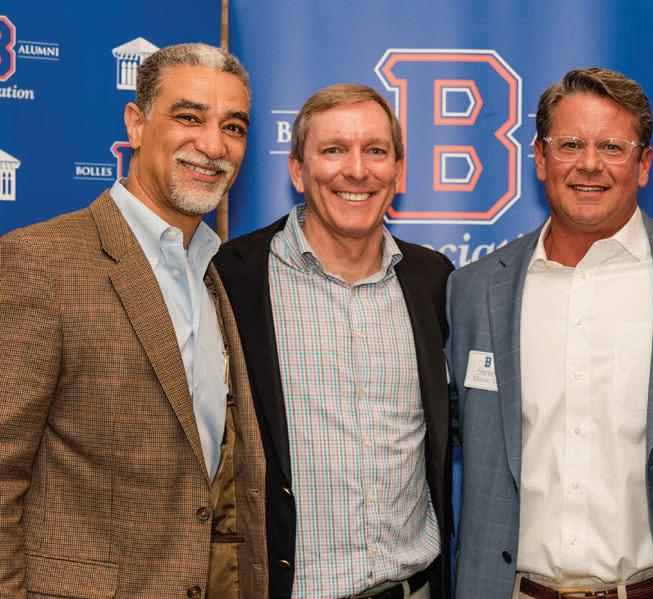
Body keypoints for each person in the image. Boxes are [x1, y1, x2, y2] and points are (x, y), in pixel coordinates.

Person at [448, 67, 653, 599]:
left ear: (644, 163)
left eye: (612, 146)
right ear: (540, 158)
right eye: (570, 145)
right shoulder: (473, 289)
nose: (589, 164)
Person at [0, 43, 266, 598]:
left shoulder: (216, 275)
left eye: (233, 127)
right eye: (189, 117)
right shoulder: (42, 260)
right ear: (136, 123)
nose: (213, 145)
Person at [214, 83, 453, 599]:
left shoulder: (433, 279)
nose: (357, 170)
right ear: (297, 171)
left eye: (376, 151)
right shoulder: (233, 276)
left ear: (399, 171)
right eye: (334, 150)